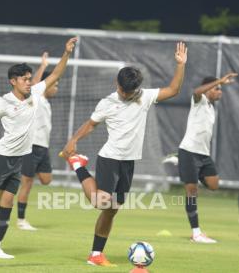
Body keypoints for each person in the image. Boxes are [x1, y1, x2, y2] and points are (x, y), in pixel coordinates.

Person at [61, 42, 188, 267]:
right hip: (110, 158)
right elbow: (91, 124)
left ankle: (95, 255)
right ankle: (78, 164)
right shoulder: (107, 102)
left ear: (136, 88)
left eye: (129, 91)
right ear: (116, 83)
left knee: (112, 210)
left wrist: (180, 65)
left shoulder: (144, 97)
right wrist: (73, 140)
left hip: (128, 162)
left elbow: (174, 89)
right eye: (123, 89)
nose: (125, 93)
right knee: (101, 202)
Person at [0, 37, 77, 259]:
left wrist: (66, 53)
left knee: (7, 203)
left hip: (19, 159)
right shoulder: (2, 102)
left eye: (28, 79)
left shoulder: (35, 93)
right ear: (13, 81)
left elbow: (56, 75)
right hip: (1, 156)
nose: (28, 82)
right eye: (24, 79)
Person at [177, 73, 237, 243]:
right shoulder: (199, 101)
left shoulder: (211, 108)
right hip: (189, 151)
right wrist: (219, 80)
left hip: (203, 155)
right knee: (191, 192)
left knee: (214, 184)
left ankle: (190, 175)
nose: (220, 92)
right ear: (210, 89)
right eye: (218, 89)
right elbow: (197, 91)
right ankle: (196, 233)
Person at [16, 52, 57, 231]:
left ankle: (15, 174)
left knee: (46, 180)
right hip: (31, 146)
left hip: (43, 148)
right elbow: (35, 85)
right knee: (27, 183)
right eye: (55, 85)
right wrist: (43, 66)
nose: (56, 88)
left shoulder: (46, 103)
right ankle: (21, 220)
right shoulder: (36, 99)